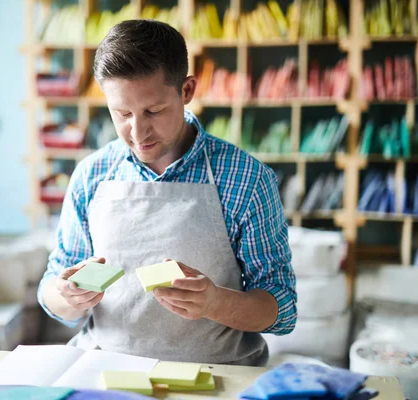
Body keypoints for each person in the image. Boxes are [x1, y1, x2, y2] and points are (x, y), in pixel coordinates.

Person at [37, 19, 296, 366]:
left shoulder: (247, 179)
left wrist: (216, 303)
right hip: (105, 371)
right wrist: (67, 295)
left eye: (154, 111)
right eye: (122, 113)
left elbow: (282, 308)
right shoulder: (91, 175)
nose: (138, 131)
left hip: (215, 375)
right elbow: (51, 293)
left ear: (186, 91)